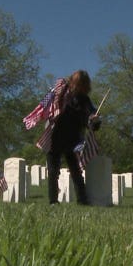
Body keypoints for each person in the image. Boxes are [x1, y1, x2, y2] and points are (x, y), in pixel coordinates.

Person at [46, 70, 101, 205]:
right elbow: (49, 108)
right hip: (55, 136)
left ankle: (82, 200)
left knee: (76, 171)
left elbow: (91, 117)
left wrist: (94, 119)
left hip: (73, 139)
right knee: (53, 171)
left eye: (82, 85)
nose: (79, 87)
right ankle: (53, 201)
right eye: (77, 84)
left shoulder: (84, 100)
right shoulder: (61, 93)